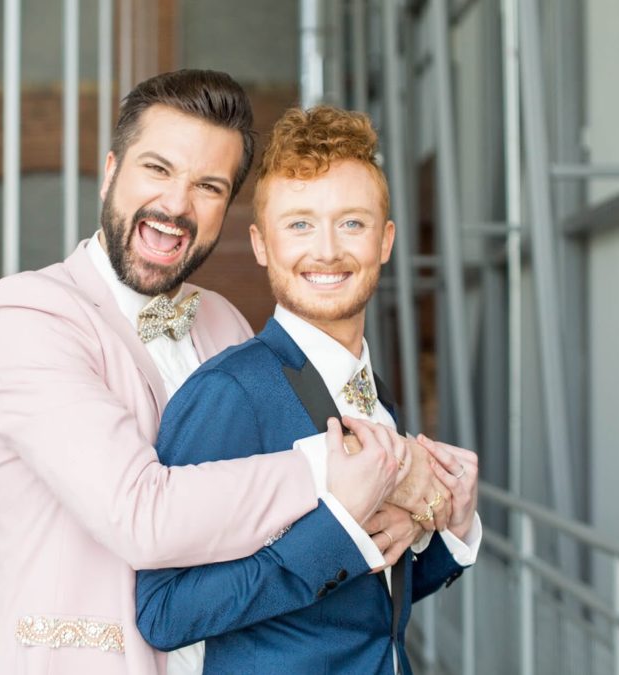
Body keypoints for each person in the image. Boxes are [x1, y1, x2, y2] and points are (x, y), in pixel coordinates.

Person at [0, 70, 448, 675]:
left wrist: (403, 502)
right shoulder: (26, 315)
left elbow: (277, 529)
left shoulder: (222, 321)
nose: (176, 206)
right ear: (112, 169)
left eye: (209, 186)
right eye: (158, 169)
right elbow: (139, 513)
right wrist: (341, 468)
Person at [135, 105, 482, 675]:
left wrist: (455, 524)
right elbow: (166, 612)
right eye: (299, 224)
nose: (326, 250)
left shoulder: (374, 391)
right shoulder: (228, 393)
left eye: (352, 223)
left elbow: (360, 607)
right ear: (261, 244)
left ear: (386, 240)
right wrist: (339, 526)